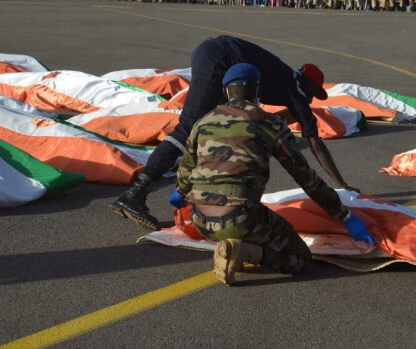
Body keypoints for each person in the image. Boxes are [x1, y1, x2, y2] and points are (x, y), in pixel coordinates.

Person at [111, 36, 359, 230]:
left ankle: (187, 190)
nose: (311, 99)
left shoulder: (285, 77)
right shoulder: (296, 89)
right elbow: (314, 142)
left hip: (215, 52)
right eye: (314, 93)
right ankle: (136, 194)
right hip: (224, 56)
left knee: (213, 127)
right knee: (188, 128)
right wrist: (342, 184)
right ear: (309, 83)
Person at [169, 63, 375, 285]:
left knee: (247, 224)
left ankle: (233, 244)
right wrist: (344, 216)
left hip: (200, 220)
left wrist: (179, 193)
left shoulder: (202, 122)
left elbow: (185, 172)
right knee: (301, 259)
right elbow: (306, 177)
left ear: (226, 91)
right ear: (258, 91)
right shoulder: (269, 123)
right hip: (241, 219)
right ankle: (243, 251)